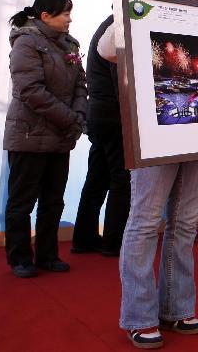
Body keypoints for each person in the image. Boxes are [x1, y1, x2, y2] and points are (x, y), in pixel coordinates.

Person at [99, 0, 198, 348]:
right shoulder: (145, 1)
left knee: (184, 222)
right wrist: (136, 13)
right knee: (146, 221)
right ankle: (138, 314)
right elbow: (107, 48)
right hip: (156, 130)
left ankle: (178, 308)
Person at [4, 0, 87, 279]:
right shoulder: (26, 42)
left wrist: (79, 115)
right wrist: (71, 119)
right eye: (64, 13)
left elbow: (80, 85)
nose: (69, 18)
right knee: (22, 201)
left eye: (70, 12)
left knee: (53, 200)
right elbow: (30, 91)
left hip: (60, 137)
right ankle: (20, 258)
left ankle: (48, 255)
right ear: (45, 16)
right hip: (28, 135)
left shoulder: (70, 44)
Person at [70, 13, 132, 257]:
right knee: (120, 180)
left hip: (99, 116)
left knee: (97, 179)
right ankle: (113, 242)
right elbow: (121, 84)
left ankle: (83, 239)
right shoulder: (115, 30)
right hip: (114, 117)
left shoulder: (105, 26)